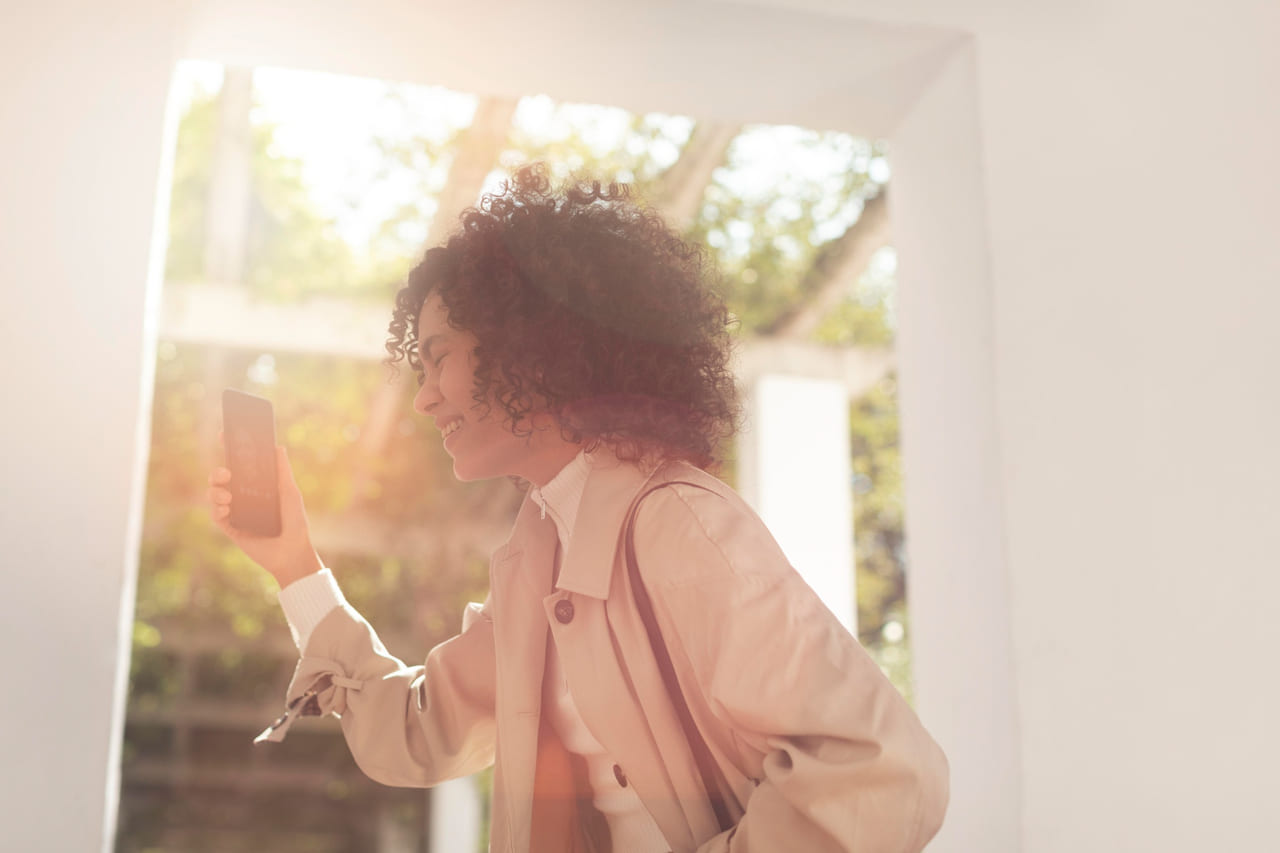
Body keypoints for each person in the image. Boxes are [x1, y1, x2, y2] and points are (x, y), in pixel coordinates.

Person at [207, 164, 949, 852]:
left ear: (526, 348)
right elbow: (422, 730)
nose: (425, 394)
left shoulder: (678, 523)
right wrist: (294, 563)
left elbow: (881, 774)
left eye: (438, 357)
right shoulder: (540, 555)